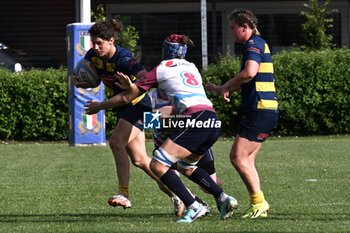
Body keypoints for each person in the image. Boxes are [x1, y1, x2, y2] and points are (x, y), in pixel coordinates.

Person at [85, 34, 238, 223]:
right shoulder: (192, 67)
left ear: (165, 50)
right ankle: (223, 198)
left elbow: (127, 98)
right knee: (186, 167)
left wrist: (100, 105)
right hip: (212, 120)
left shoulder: (162, 68)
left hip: (193, 120)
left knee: (157, 164)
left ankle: (193, 205)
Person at [71, 19, 184, 216]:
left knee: (116, 143)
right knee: (140, 160)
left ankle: (123, 193)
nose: (95, 47)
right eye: (93, 43)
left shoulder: (124, 58)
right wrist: (79, 82)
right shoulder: (92, 56)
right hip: (122, 107)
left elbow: (146, 76)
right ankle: (180, 194)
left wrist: (132, 86)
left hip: (138, 104)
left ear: (111, 41)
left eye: (100, 43)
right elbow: (88, 78)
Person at [206, 9, 279, 218]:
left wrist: (223, 88)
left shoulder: (253, 44)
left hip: (260, 109)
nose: (231, 32)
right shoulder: (257, 43)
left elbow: (249, 73)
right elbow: (250, 78)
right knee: (246, 160)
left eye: (233, 28)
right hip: (265, 109)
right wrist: (227, 87)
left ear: (244, 27)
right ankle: (259, 204)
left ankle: (259, 203)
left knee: (237, 157)